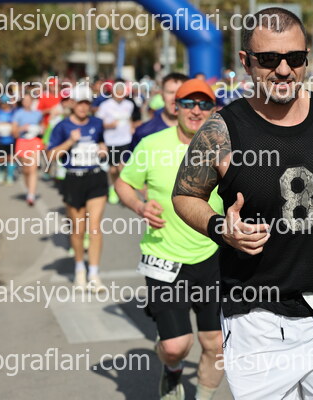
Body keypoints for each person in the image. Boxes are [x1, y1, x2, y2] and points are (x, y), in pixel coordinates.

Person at [172, 7, 313, 399]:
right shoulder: (221, 130)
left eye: (294, 58)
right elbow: (185, 195)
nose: (283, 70)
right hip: (258, 320)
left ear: (306, 58)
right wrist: (220, 228)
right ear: (246, 62)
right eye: (268, 59)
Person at [116, 78, 223, 400]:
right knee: (176, 346)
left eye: (204, 104)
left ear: (214, 110)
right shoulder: (151, 144)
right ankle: (172, 368)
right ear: (175, 107)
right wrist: (139, 205)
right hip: (164, 256)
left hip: (215, 256)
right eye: (188, 103)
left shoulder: (227, 148)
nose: (196, 110)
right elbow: (123, 183)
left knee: (215, 343)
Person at [47, 85, 108, 293]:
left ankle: (94, 274)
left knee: (95, 227)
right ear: (72, 103)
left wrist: (103, 150)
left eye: (86, 103)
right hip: (73, 179)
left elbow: (101, 142)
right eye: (79, 103)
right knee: (78, 229)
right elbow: (50, 156)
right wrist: (70, 142)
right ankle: (80, 269)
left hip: (95, 177)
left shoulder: (97, 123)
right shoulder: (62, 126)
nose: (83, 107)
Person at [127, 72, 188, 156]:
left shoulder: (198, 131)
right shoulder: (144, 132)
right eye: (170, 92)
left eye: (180, 92)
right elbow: (128, 162)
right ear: (162, 95)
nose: (175, 98)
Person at [96, 78, 134, 204]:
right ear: (113, 92)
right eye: (117, 92)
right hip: (111, 141)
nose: (120, 95)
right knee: (113, 169)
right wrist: (109, 125)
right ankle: (113, 187)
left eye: (122, 92)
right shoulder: (105, 105)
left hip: (125, 140)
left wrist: (132, 127)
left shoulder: (129, 105)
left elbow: (130, 119)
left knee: (122, 166)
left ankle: (123, 190)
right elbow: (98, 123)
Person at [12, 93, 44, 206]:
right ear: (22, 102)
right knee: (26, 170)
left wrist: (40, 130)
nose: (27, 102)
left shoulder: (38, 113)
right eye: (24, 100)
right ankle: (28, 190)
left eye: (28, 100)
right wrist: (23, 128)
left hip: (35, 141)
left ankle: (31, 195)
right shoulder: (18, 114)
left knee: (33, 169)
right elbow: (14, 131)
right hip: (22, 142)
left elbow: (42, 127)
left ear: (32, 101)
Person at [0, 95, 17, 185]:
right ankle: (1, 172)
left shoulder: (13, 112)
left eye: (5, 103)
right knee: (1, 157)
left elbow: (17, 123)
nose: (3, 104)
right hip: (0, 139)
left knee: (11, 157)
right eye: (2, 103)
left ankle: (10, 175)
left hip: (12, 139)